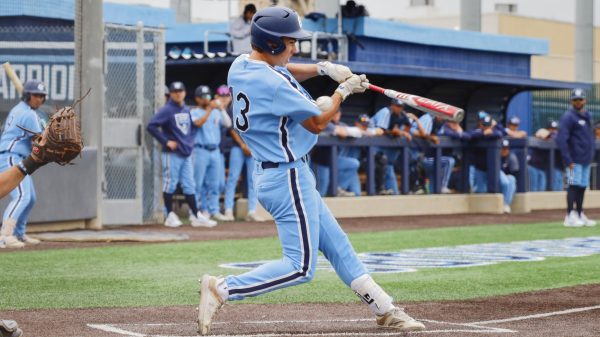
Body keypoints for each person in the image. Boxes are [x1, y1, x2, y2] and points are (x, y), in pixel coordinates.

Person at [197, 6, 425, 335]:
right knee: (301, 266)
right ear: (273, 43)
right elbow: (317, 121)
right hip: (286, 175)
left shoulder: (242, 65)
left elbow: (285, 72)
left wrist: (323, 69)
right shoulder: (272, 84)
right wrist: (341, 92)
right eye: (290, 42)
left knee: (338, 245)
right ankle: (222, 289)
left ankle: (384, 308)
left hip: (278, 172)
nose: (295, 47)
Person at [146, 81, 215, 228]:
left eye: (180, 91)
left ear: (184, 92)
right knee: (169, 183)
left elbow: (190, 128)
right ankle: (169, 214)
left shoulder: (185, 108)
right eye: (175, 91)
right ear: (171, 93)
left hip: (186, 153)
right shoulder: (167, 109)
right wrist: (166, 141)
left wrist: (189, 143)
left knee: (190, 185)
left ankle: (196, 215)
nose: (178, 93)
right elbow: (151, 126)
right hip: (171, 153)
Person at [0, 80, 48, 249]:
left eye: (42, 96)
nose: (39, 99)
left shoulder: (21, 109)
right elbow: (40, 141)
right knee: (22, 196)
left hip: (16, 155)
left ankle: (19, 233)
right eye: (36, 95)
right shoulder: (28, 114)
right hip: (11, 156)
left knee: (30, 198)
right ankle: (5, 235)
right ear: (27, 95)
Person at [220, 85, 264, 222]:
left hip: (252, 149)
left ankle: (252, 211)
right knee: (232, 178)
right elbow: (232, 129)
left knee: (253, 180)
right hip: (237, 147)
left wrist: (251, 146)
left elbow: (258, 129)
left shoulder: (257, 106)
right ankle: (228, 210)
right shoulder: (234, 106)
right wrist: (242, 145)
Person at [191, 85, 232, 221]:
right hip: (200, 149)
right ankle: (196, 210)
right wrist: (209, 109)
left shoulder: (216, 112)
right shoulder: (194, 111)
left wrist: (221, 109)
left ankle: (213, 210)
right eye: (202, 97)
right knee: (198, 183)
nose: (206, 99)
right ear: (197, 99)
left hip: (215, 151)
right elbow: (198, 123)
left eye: (207, 96)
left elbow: (228, 124)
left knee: (215, 184)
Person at [557, 88, 597, 227]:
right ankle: (569, 215)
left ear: (585, 100)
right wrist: (568, 159)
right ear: (571, 101)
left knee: (582, 187)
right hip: (574, 159)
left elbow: (590, 137)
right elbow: (562, 139)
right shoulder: (568, 117)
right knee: (573, 186)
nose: (578, 102)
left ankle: (579, 213)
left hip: (585, 159)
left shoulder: (588, 116)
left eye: (580, 99)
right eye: (575, 100)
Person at [467, 112, 515, 213]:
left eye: (488, 125)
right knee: (480, 191)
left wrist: (491, 131)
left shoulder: (495, 132)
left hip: (494, 168)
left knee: (506, 183)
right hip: (480, 168)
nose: (485, 127)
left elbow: (500, 133)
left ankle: (505, 205)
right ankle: (480, 212)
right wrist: (483, 133)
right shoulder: (476, 131)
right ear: (480, 124)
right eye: (484, 125)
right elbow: (468, 135)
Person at [312, 108, 362, 197]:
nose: (336, 115)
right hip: (319, 162)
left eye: (337, 113)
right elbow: (342, 132)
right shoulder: (325, 123)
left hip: (333, 160)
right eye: (334, 113)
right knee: (322, 192)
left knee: (354, 163)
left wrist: (347, 131)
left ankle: (339, 188)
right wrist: (344, 131)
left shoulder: (341, 124)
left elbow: (358, 132)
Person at [371, 99, 413, 195]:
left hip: (384, 143)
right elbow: (380, 131)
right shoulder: (386, 112)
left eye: (401, 106)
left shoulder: (402, 114)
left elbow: (408, 125)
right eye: (397, 106)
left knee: (388, 166)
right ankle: (378, 190)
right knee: (379, 163)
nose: (399, 108)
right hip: (371, 140)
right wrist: (397, 132)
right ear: (392, 105)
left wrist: (403, 132)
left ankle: (393, 193)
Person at [500, 139, 518, 212]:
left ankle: (506, 204)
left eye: (506, 148)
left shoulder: (511, 157)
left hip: (506, 181)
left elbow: (514, 172)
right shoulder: (494, 155)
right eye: (503, 148)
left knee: (511, 179)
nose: (505, 150)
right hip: (495, 180)